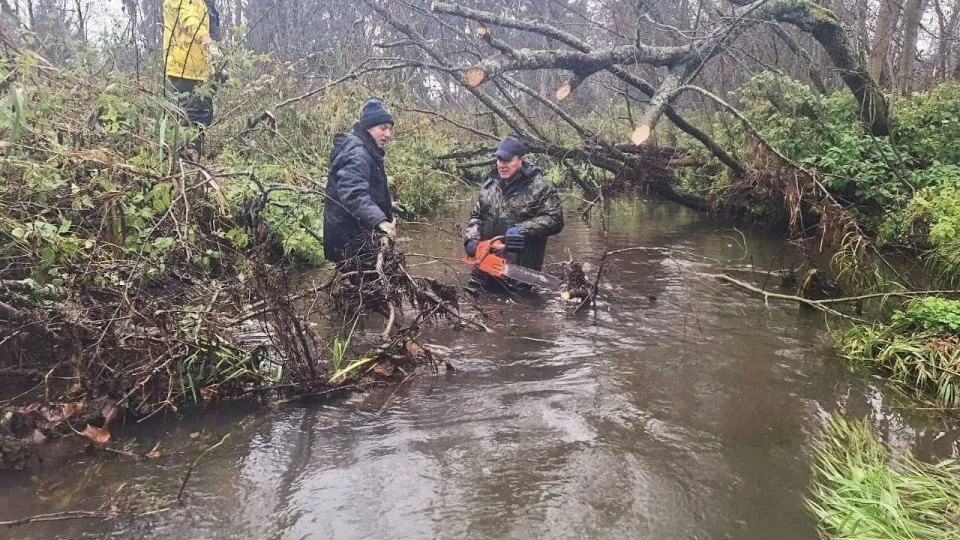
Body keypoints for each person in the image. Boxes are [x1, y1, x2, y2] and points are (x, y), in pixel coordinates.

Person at [463, 136, 563, 291]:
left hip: (520, 271)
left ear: (521, 160)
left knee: (523, 303)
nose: (502, 165)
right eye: (499, 160)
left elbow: (555, 219)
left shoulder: (541, 187)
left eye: (508, 160)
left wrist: (521, 230)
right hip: (485, 267)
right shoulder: (490, 186)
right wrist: (472, 239)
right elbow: (476, 216)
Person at [324, 98, 403, 270]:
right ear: (368, 128)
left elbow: (365, 188)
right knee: (368, 283)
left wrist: (388, 204)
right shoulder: (358, 153)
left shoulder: (368, 150)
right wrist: (380, 220)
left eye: (390, 129)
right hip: (349, 241)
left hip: (355, 236)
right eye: (383, 128)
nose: (388, 134)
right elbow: (353, 193)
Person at [162, 0, 222, 158]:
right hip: (183, 68)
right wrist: (206, 40)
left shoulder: (203, 2)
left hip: (199, 68)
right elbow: (189, 19)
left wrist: (215, 64)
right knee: (195, 116)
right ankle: (189, 159)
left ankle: (192, 156)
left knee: (204, 114)